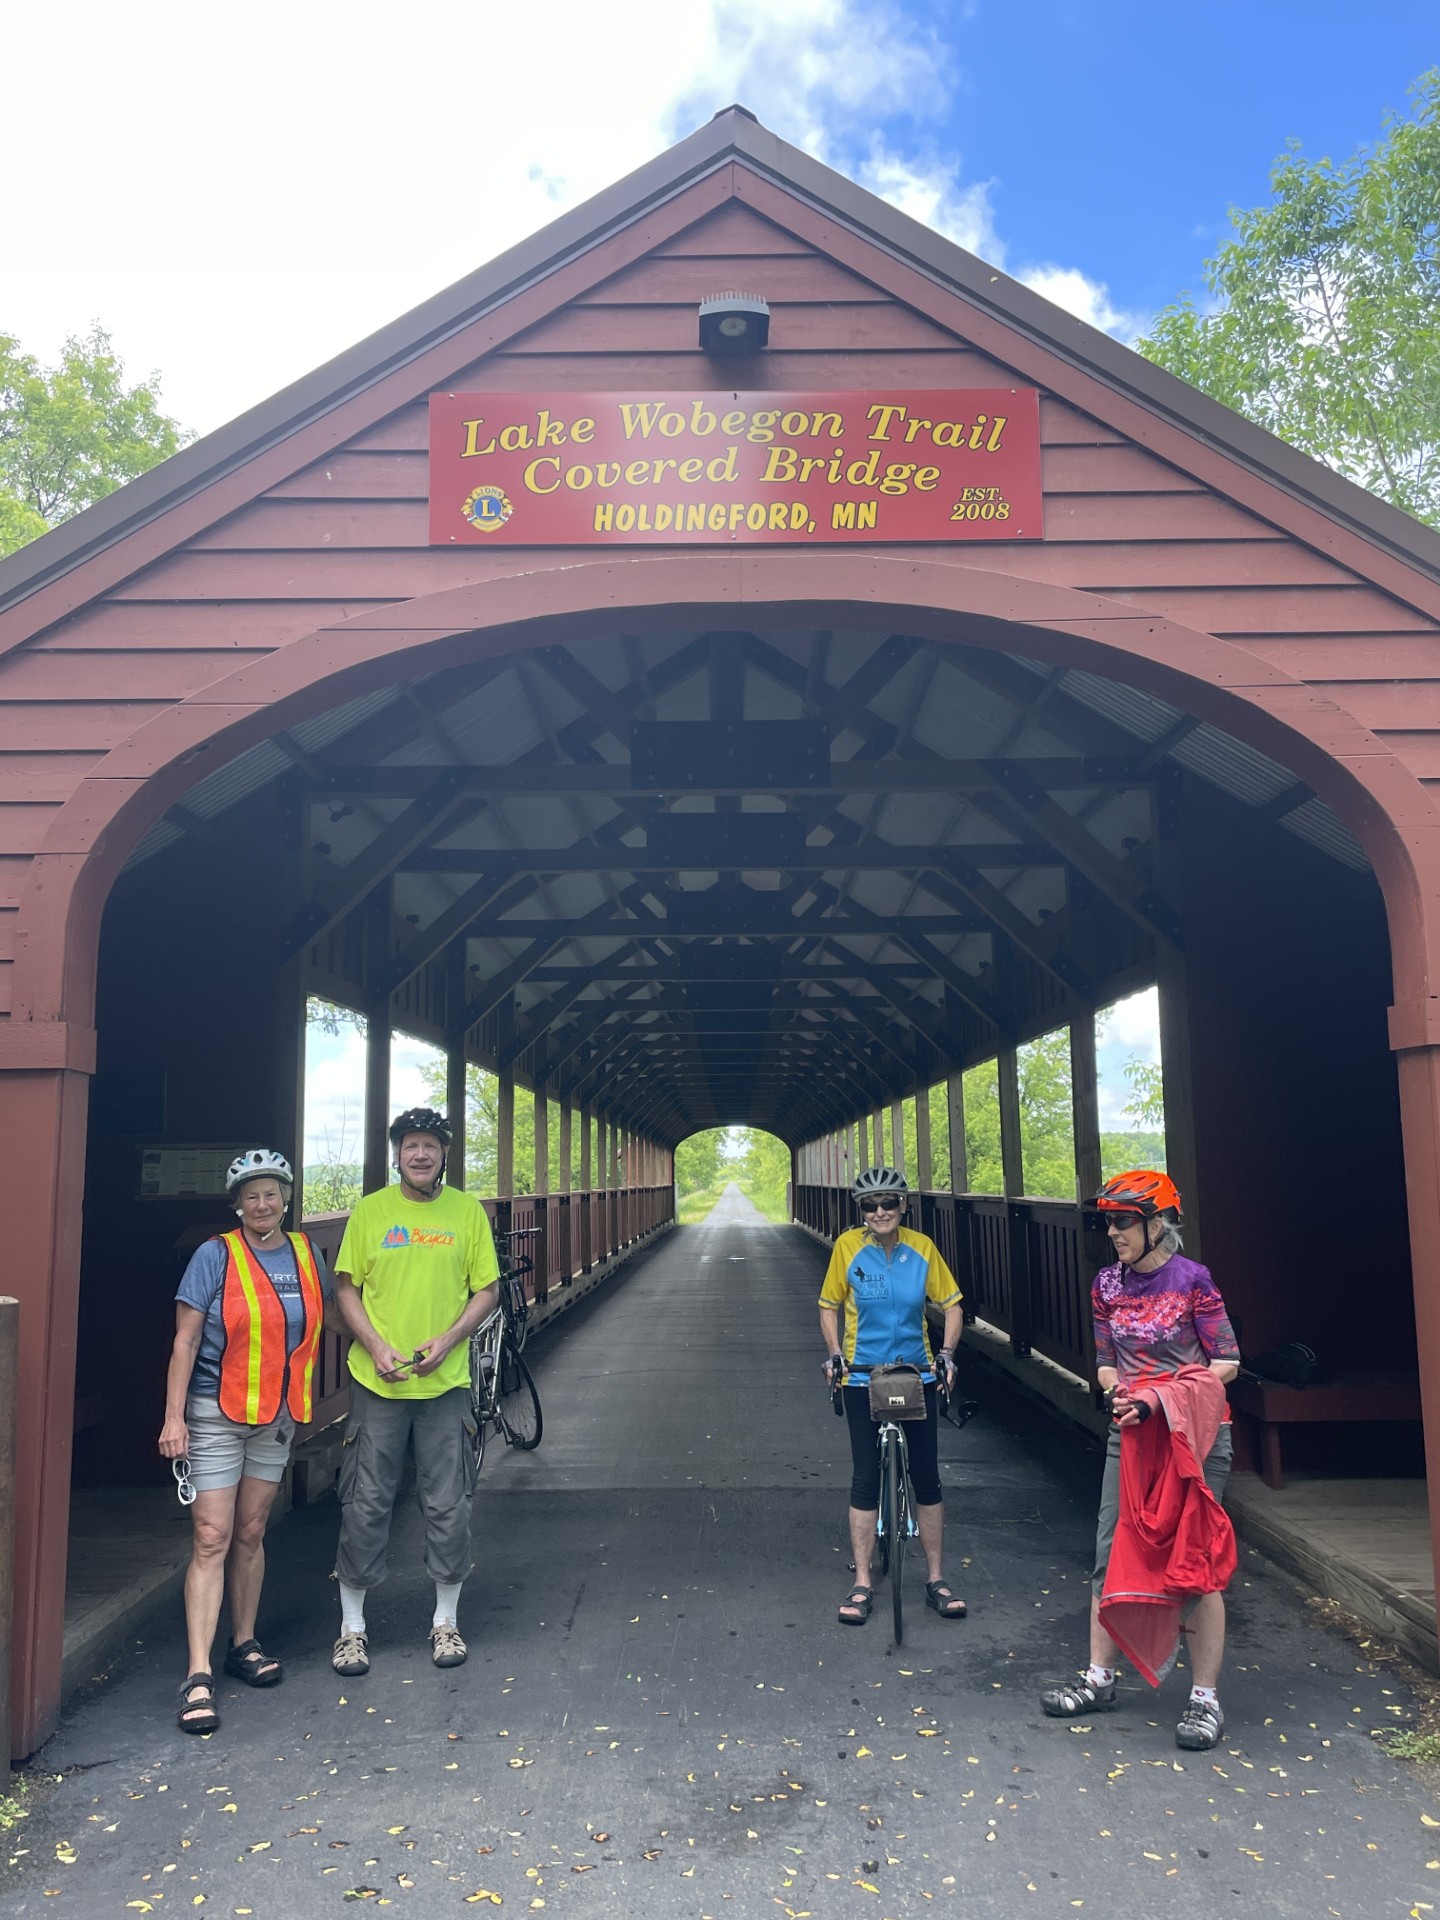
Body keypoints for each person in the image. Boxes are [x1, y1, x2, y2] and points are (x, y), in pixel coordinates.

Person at [1039, 1169, 1241, 1751]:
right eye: (1107, 1222)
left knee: (1194, 1562)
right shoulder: (1106, 1284)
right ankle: (1099, 1678)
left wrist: (1161, 1397)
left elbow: (1227, 1362)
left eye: (1124, 1221)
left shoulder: (1193, 1280)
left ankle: (1205, 1699)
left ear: (1158, 1224)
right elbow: (1106, 1361)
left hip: (1195, 1437)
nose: (1113, 1233)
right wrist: (1118, 1392)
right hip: (1130, 1435)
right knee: (1111, 1554)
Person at [159, 1148, 331, 1734]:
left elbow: (332, 1318)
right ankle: (197, 1673)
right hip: (216, 1410)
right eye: (251, 1196)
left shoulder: (306, 1253)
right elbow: (185, 1340)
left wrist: (388, 1344)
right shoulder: (215, 1255)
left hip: (276, 1412)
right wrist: (174, 1419)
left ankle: (244, 1643)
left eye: (272, 1194)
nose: (263, 1204)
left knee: (252, 1530)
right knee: (213, 1536)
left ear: (287, 1198)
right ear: (237, 1205)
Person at [331, 1107, 498, 1677]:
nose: (420, 1154)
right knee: (364, 1503)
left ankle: (445, 1621)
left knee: (449, 1504)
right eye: (410, 1146)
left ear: (444, 1154)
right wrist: (376, 1346)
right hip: (377, 1384)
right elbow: (346, 1288)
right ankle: (352, 1629)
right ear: (397, 1155)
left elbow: (487, 1289)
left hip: (444, 1386)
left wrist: (449, 1341)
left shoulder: (466, 1212)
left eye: (430, 1145)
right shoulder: (371, 1212)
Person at [818, 1165, 967, 1626]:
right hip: (862, 1376)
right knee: (865, 1476)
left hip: (915, 1373)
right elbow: (828, 1306)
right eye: (870, 1204)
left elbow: (953, 1305)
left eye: (888, 1203)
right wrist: (835, 1355)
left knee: (927, 1475)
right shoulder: (847, 1248)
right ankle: (863, 1582)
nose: (880, 1211)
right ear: (861, 1210)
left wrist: (946, 1355)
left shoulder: (922, 1248)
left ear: (903, 1205)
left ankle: (936, 1579)